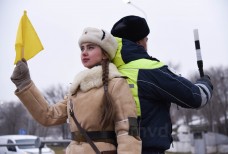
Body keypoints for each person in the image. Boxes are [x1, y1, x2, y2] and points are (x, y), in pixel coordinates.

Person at [11, 27, 141, 154]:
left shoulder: (116, 84)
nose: (84, 52)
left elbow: (128, 131)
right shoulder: (76, 88)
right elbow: (49, 116)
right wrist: (24, 83)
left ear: (105, 54)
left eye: (90, 47)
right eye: (82, 48)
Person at [110, 15, 213, 154]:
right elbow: (196, 97)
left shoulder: (107, 71)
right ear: (140, 42)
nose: (147, 43)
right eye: (146, 39)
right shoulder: (150, 70)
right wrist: (205, 82)